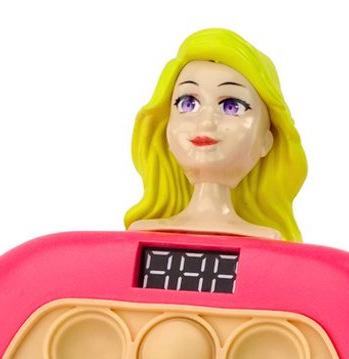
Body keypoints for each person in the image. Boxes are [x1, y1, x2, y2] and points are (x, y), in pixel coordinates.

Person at [126, 28, 308, 242]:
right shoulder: (142, 234)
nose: (206, 121)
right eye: (188, 104)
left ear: (266, 141)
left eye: (231, 106)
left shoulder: (268, 241)